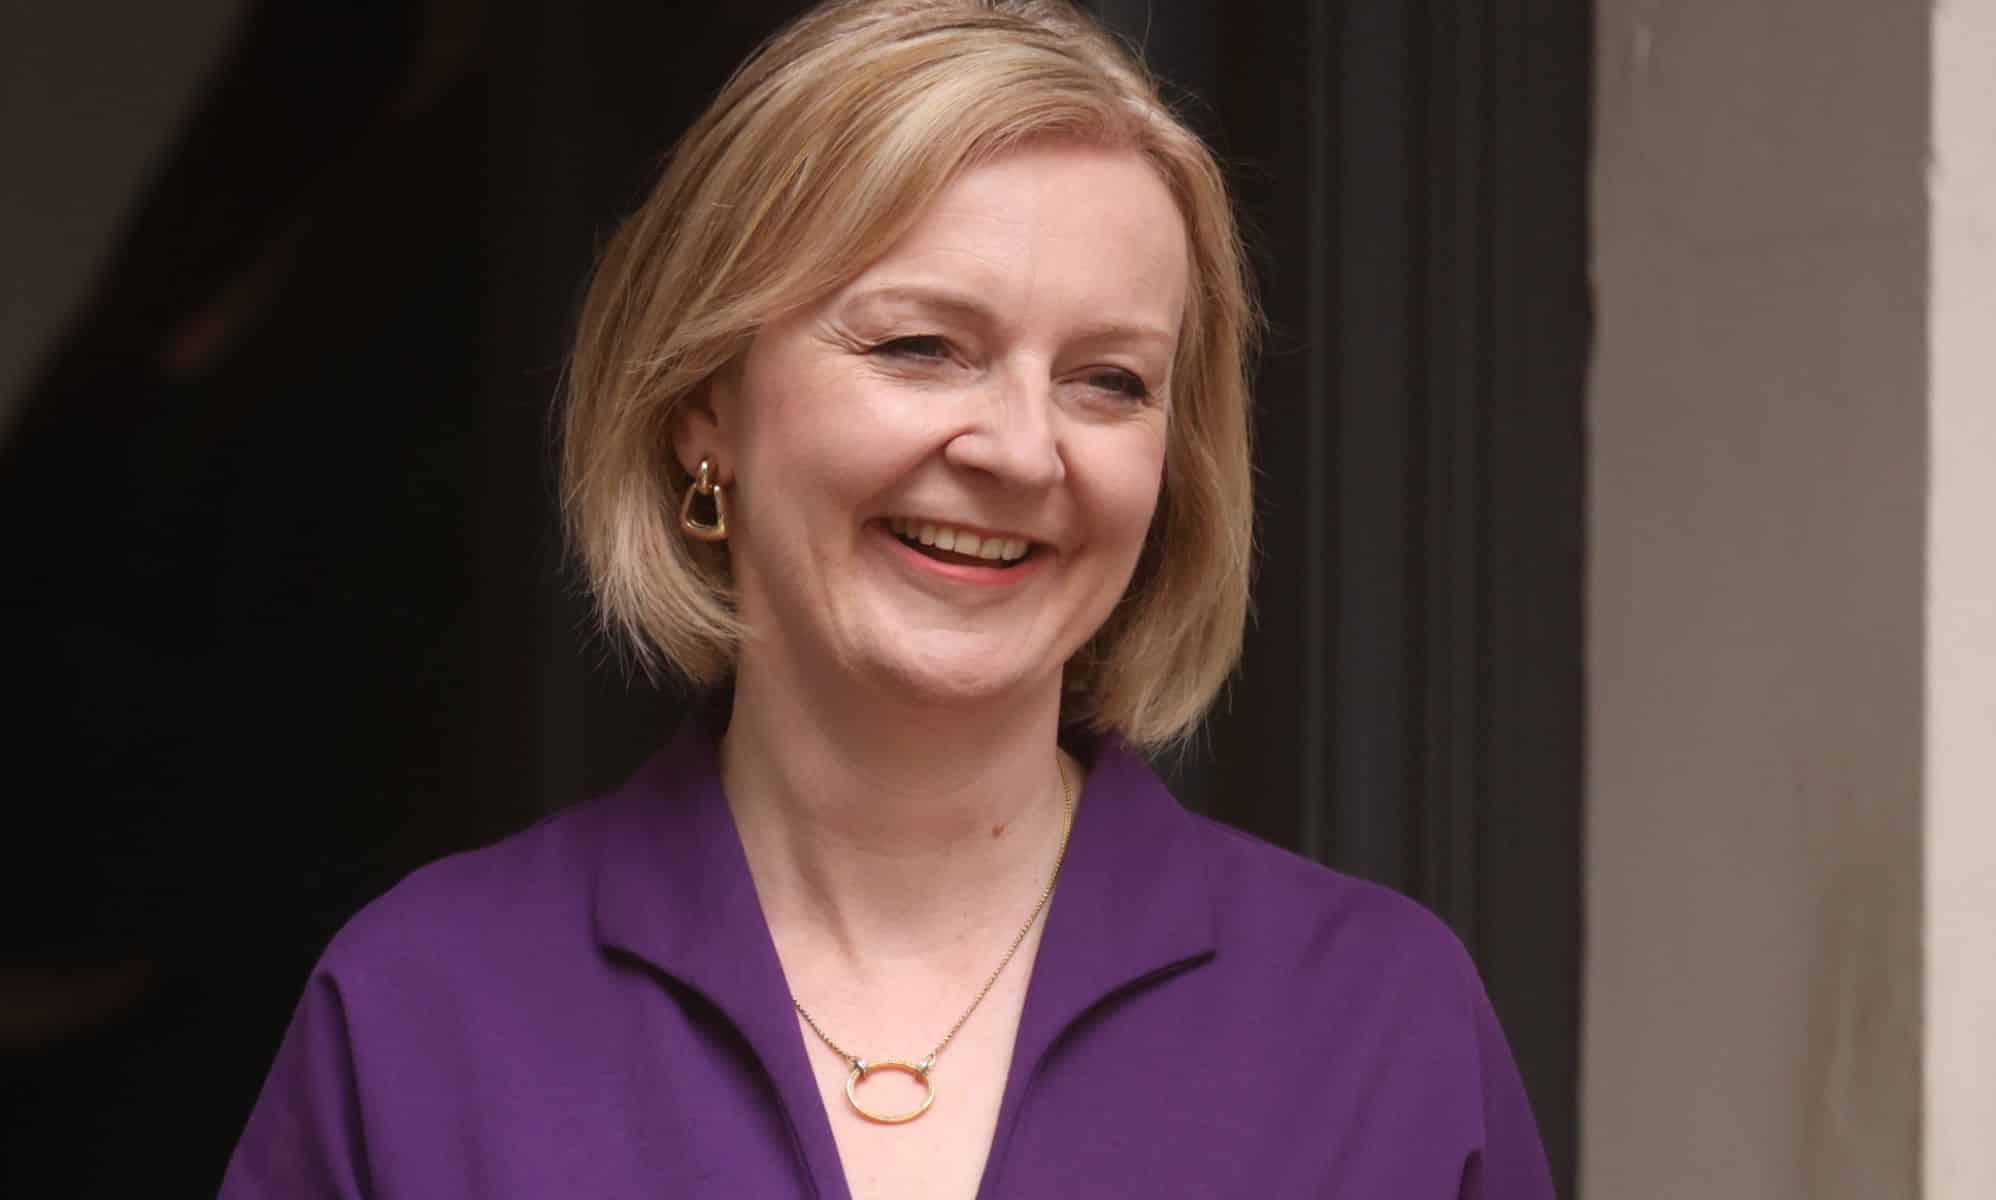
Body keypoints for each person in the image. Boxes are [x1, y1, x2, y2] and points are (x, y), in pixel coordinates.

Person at [221, 1, 1555, 1196]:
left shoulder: (1380, 1022)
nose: (1022, 451)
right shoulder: (424, 1013)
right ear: (705, 413)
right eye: (923, 347)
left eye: (1109, 380)